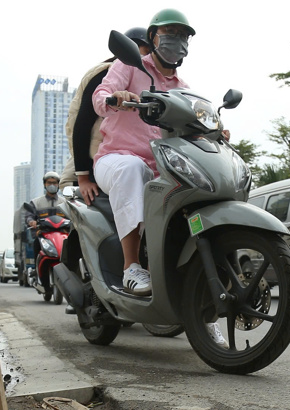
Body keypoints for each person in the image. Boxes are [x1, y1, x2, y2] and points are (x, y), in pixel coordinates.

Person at [91, 9, 195, 297]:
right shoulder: (130, 66)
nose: (178, 40)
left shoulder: (184, 89)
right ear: (153, 37)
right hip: (116, 159)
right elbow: (100, 97)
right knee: (132, 169)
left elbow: (192, 126)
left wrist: (214, 131)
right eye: (170, 33)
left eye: (183, 35)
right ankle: (131, 267)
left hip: (163, 168)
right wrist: (117, 98)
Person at [60, 27, 152, 204]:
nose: (149, 59)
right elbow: (83, 122)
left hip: (123, 162)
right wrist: (83, 178)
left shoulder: (147, 80)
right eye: (146, 52)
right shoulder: (106, 72)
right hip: (94, 167)